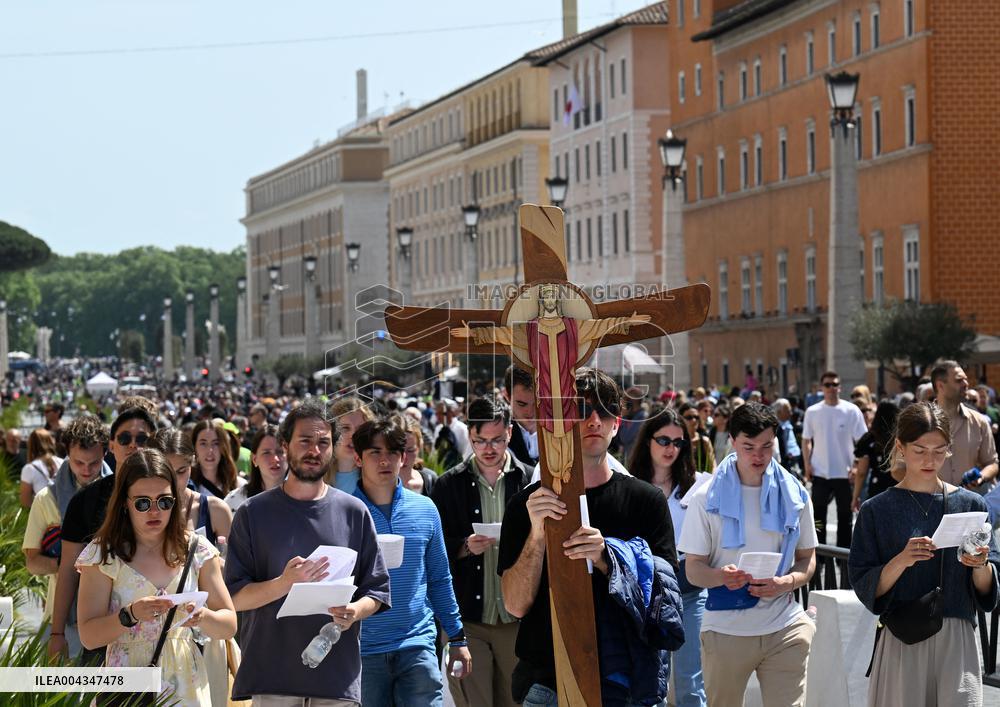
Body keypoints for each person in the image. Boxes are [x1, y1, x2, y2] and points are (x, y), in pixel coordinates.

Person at [497, 368, 681, 707]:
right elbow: (514, 604)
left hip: (624, 679)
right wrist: (538, 535)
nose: (594, 420)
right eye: (581, 410)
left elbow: (665, 597)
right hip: (545, 679)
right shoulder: (527, 503)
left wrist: (610, 558)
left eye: (606, 409)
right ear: (561, 421)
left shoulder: (646, 500)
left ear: (617, 421)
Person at [225, 400, 390, 705]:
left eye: (323, 442)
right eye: (305, 441)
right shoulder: (252, 513)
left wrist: (355, 612)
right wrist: (284, 583)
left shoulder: (354, 512)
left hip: (336, 677)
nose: (314, 450)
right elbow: (233, 598)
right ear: (285, 445)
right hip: (273, 676)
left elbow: (377, 591)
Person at [849, 402, 999, 706]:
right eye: (920, 450)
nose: (930, 459)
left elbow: (988, 589)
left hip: (957, 637)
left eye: (939, 450)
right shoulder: (876, 510)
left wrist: (980, 564)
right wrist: (901, 560)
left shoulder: (972, 505)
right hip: (903, 638)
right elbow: (865, 586)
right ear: (901, 447)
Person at [678, 402, 817, 707]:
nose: (758, 456)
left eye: (766, 446)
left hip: (786, 626)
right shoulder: (705, 497)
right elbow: (693, 570)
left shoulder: (795, 493)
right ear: (732, 442)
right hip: (725, 630)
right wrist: (720, 577)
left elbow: (808, 558)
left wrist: (788, 582)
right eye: (749, 446)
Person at [76, 448, 237, 705]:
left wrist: (202, 617)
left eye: (164, 501)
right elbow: (88, 635)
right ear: (124, 504)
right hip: (128, 684)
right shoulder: (102, 554)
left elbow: (229, 624)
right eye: (142, 502)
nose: (154, 511)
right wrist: (130, 614)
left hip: (187, 685)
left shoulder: (198, 550)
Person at [351, 417, 471, 706]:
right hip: (362, 650)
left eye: (392, 452)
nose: (385, 460)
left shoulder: (426, 509)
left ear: (404, 457)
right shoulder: (344, 512)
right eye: (375, 453)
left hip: (418, 645)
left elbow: (439, 578)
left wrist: (457, 638)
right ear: (358, 458)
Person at [433, 396, 533, 707]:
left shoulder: (529, 480)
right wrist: (464, 547)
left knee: (515, 700)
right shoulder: (448, 485)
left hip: (517, 619)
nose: (489, 449)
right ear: (469, 435)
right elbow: (433, 553)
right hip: (467, 620)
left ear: (510, 433)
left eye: (497, 440)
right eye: (480, 441)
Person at [49, 404, 157, 662]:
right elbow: (67, 570)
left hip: (161, 637)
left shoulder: (169, 498)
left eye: (142, 438)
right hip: (103, 638)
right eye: (124, 438)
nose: (133, 444)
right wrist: (56, 633)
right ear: (111, 444)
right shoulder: (85, 501)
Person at [627, 408, 707, 707]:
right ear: (647, 441)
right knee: (649, 682)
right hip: (644, 593)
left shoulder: (699, 486)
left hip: (688, 589)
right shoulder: (628, 483)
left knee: (690, 683)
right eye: (663, 440)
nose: (671, 448)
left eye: (678, 442)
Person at [22, 414, 111, 658]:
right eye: (78, 462)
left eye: (93, 463)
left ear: (105, 452)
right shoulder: (46, 499)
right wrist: (69, 564)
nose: (86, 470)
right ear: (67, 456)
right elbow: (32, 562)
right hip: (62, 617)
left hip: (111, 613)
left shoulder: (120, 493)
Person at [802, 370, 867, 548]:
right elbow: (806, 440)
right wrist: (807, 464)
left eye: (835, 384)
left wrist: (855, 466)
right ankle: (820, 556)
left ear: (840, 387)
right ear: (822, 388)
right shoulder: (812, 411)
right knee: (818, 517)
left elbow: (862, 441)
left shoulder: (851, 410)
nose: (831, 388)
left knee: (845, 517)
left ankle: (842, 559)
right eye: (828, 385)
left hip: (844, 473)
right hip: (820, 472)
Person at [150, 429, 232, 545]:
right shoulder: (136, 509)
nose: (174, 481)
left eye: (181, 471)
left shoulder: (216, 510)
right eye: (165, 474)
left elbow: (229, 561)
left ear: (192, 461)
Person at [932, 361, 999, 495]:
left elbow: (992, 463)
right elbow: (899, 469)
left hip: (971, 505)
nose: (966, 384)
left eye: (965, 379)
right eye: (959, 380)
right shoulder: (919, 423)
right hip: (930, 506)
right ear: (940, 385)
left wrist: (981, 477)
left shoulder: (979, 421)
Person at [225, 424, 287, 511]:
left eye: (280, 452)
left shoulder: (305, 498)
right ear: (254, 459)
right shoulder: (235, 501)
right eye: (266, 453)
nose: (275, 459)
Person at [851, 401, 900, 511]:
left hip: (876, 489)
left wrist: (855, 496)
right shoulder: (902, 438)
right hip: (899, 487)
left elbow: (861, 472)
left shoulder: (869, 439)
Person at [326, 396, 375, 493]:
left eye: (360, 429)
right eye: (345, 428)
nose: (353, 435)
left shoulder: (377, 474)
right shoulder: (314, 473)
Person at [191, 419, 245, 500]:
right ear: (194, 447)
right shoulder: (185, 485)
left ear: (223, 447)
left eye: (215, 443)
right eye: (203, 443)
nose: (210, 451)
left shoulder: (240, 487)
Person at [502, 365, 539, 468]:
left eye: (537, 404)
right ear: (507, 396)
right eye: (522, 404)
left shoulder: (562, 431)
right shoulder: (495, 433)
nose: (530, 412)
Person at [20, 428, 64, 507]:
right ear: (50, 442)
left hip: (43, 515)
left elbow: (25, 502)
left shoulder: (29, 469)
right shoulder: (63, 462)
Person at [679, 402, 716, 473]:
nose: (694, 420)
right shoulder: (677, 441)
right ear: (681, 419)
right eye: (689, 417)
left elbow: (713, 466)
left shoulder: (705, 441)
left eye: (696, 417)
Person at [772, 399, 802, 477]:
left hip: (794, 462)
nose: (791, 413)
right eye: (788, 411)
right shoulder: (776, 428)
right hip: (785, 464)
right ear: (779, 412)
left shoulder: (788, 423)